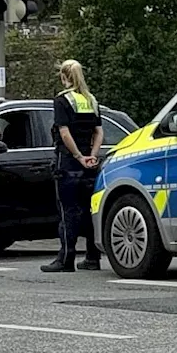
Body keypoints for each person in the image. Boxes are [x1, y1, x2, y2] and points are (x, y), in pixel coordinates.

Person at [41, 60, 104, 273]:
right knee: (88, 210)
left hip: (67, 161)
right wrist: (91, 156)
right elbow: (98, 132)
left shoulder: (62, 100)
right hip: (89, 163)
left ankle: (65, 259)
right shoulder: (91, 100)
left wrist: (77, 156)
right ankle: (92, 258)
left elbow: (64, 132)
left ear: (63, 77)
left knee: (68, 211)